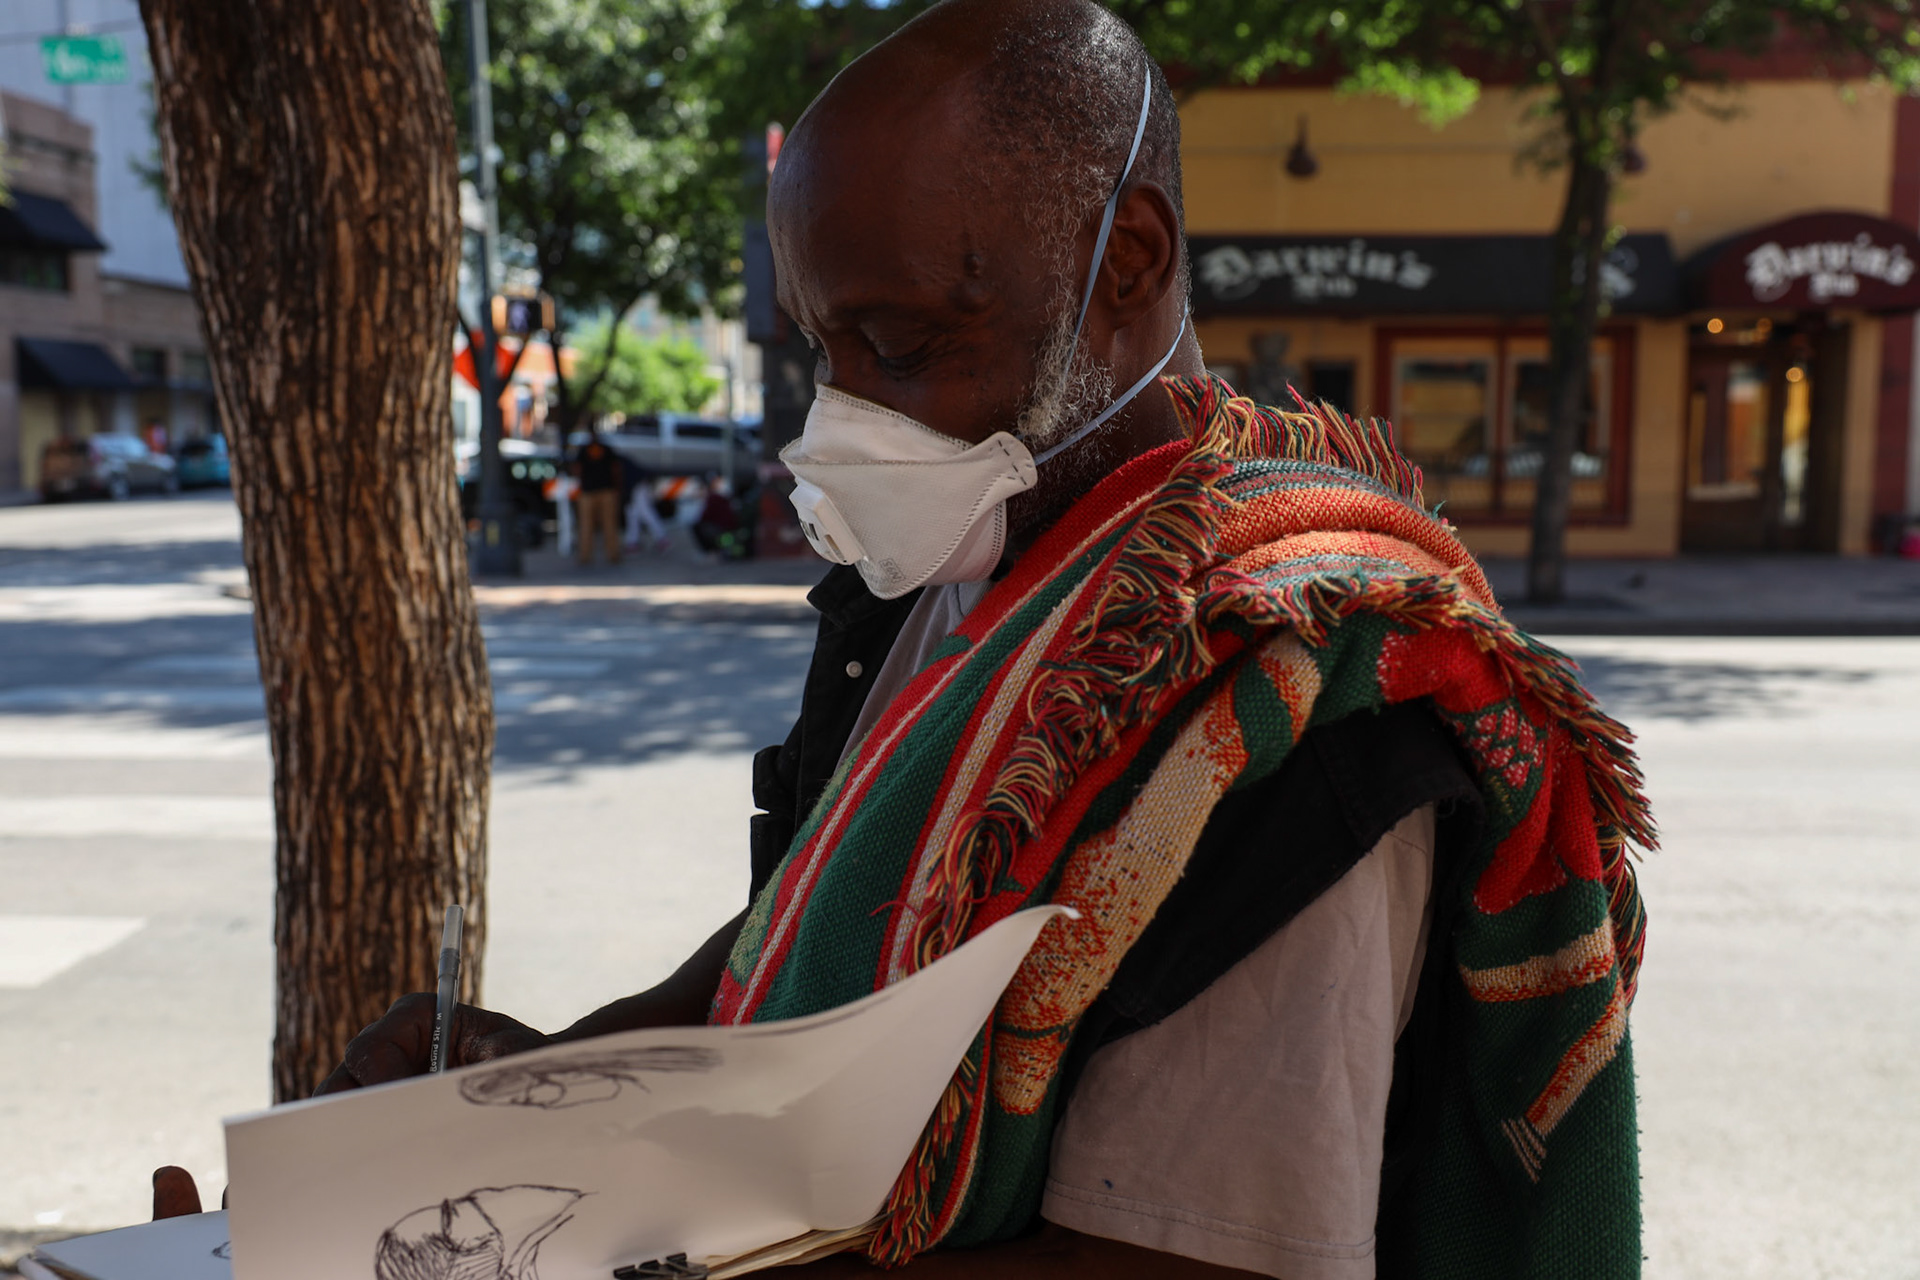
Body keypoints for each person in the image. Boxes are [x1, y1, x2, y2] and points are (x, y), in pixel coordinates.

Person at [227, 2, 1652, 1276]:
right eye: (820, 351)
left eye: (903, 345)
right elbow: (854, 914)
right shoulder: (972, 559)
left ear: (1128, 258)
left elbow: (1207, 1260)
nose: (846, 417)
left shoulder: (1297, 692)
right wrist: (560, 1078)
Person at [572, 428, 623, 566]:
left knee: (593, 525)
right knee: (603, 524)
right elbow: (615, 469)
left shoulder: (589, 450)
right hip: (600, 491)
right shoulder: (601, 449)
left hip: (594, 491)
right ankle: (603, 554)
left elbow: (577, 469)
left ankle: (590, 555)